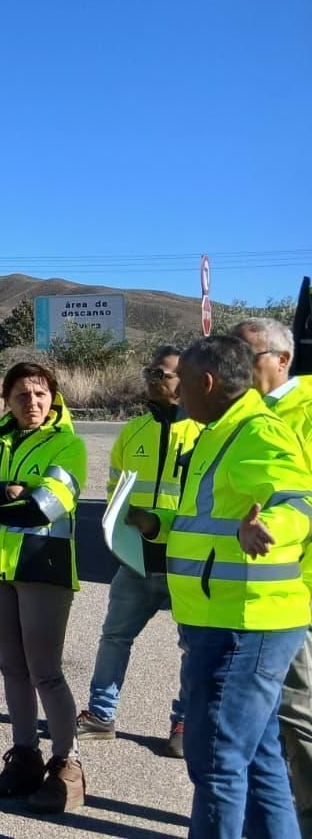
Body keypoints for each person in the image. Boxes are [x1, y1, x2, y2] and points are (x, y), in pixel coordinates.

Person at [126, 335, 312, 837]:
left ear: (206, 383)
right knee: (259, 760)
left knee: (216, 765)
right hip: (228, 620)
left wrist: (268, 527)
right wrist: (156, 523)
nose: (175, 392)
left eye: (181, 382)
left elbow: (297, 502)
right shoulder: (217, 432)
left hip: (243, 625)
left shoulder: (257, 433)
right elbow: (208, 520)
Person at [0, 362, 88, 813]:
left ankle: (66, 764)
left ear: (54, 399)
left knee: (45, 670)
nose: (33, 403)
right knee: (12, 667)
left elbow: (43, 509)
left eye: (41, 394)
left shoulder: (68, 445)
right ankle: (24, 755)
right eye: (23, 395)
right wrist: (2, 492)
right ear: (6, 400)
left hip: (42, 567)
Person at [77, 346, 199, 757]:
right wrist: (122, 529)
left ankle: (185, 723)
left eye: (162, 373)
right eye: (149, 371)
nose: (152, 378)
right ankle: (100, 715)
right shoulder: (133, 431)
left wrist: (159, 523)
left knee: (193, 648)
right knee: (114, 637)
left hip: (189, 561)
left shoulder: (207, 434)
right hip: (136, 560)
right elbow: (116, 492)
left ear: (187, 379)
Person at [232, 317, 312, 832]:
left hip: (294, 589)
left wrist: (275, 528)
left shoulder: (304, 411)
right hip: (246, 591)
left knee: (295, 710)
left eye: (248, 356)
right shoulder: (241, 412)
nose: (236, 366)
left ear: (282, 359)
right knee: (259, 719)